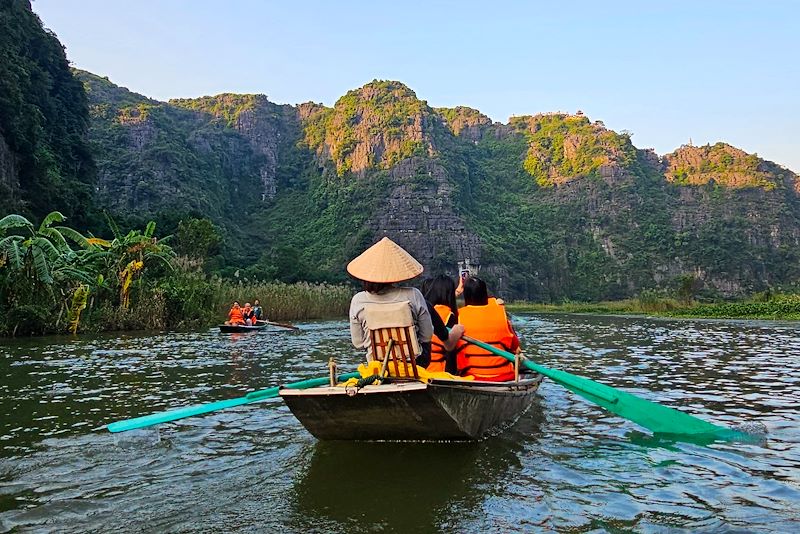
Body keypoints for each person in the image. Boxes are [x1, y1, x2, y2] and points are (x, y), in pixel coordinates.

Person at [347, 237, 434, 363]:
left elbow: (358, 343)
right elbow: (427, 336)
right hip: (415, 365)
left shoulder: (358, 300)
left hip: (378, 368)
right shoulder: (413, 294)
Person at [456, 277, 519, 381]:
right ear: (485, 294)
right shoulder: (501, 315)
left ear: (465, 295)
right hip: (504, 376)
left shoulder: (459, 316)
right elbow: (516, 349)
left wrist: (457, 292)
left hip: (471, 377)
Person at [420, 275, 464, 373]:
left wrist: (457, 292)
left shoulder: (422, 310)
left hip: (420, 369)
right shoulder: (449, 316)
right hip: (439, 371)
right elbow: (450, 349)